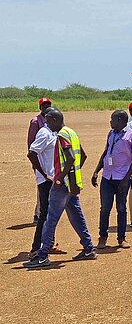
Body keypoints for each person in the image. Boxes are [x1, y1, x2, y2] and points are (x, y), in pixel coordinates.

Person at [23, 108, 96, 268]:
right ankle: (89, 248)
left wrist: (60, 178)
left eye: (48, 121)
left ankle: (42, 256)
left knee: (51, 218)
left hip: (62, 185)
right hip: (72, 183)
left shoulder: (62, 135)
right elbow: (82, 156)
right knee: (76, 215)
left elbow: (70, 158)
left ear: (55, 120)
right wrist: (73, 176)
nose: (47, 124)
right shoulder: (72, 133)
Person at [92, 110, 132, 249]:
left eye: (112, 119)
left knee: (121, 208)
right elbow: (106, 152)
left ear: (120, 120)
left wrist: (126, 178)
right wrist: (96, 170)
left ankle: (121, 238)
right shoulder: (111, 134)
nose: (110, 122)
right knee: (105, 208)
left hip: (122, 178)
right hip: (107, 177)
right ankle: (102, 237)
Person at [26, 107, 66, 259]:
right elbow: (31, 153)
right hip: (46, 181)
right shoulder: (44, 133)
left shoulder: (53, 132)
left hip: (53, 178)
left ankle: (49, 244)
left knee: (51, 213)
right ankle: (36, 248)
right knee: (44, 214)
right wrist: (43, 174)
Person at [27, 97, 52, 223]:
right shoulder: (36, 121)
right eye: (44, 105)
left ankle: (42, 212)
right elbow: (31, 143)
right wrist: (34, 162)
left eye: (48, 105)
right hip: (39, 159)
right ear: (40, 107)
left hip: (49, 160)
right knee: (42, 186)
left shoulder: (51, 120)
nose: (46, 107)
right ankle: (38, 214)